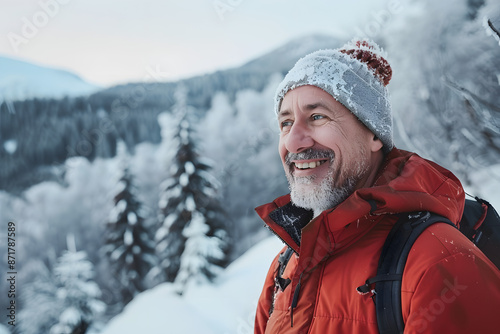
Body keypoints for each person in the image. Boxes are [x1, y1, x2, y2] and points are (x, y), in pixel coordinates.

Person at [254, 39, 500, 334]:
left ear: (373, 134)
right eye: (285, 123)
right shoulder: (286, 267)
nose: (294, 141)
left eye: (317, 117)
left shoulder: (439, 263)